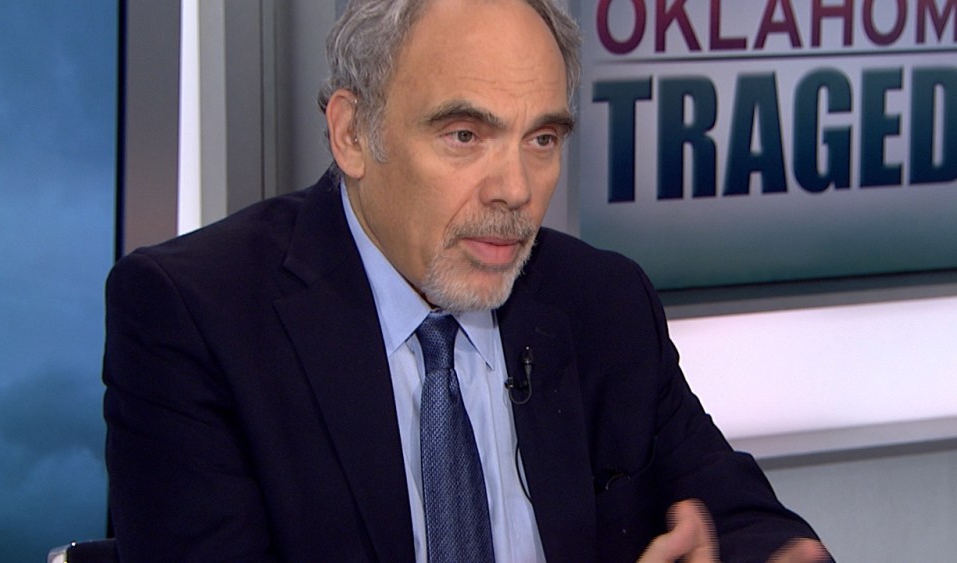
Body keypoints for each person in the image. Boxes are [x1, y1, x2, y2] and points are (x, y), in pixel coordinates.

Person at [102, 0, 832, 561]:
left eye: (541, 139)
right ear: (353, 133)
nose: (515, 189)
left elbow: (746, 520)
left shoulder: (602, 302)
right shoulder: (196, 317)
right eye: (465, 136)